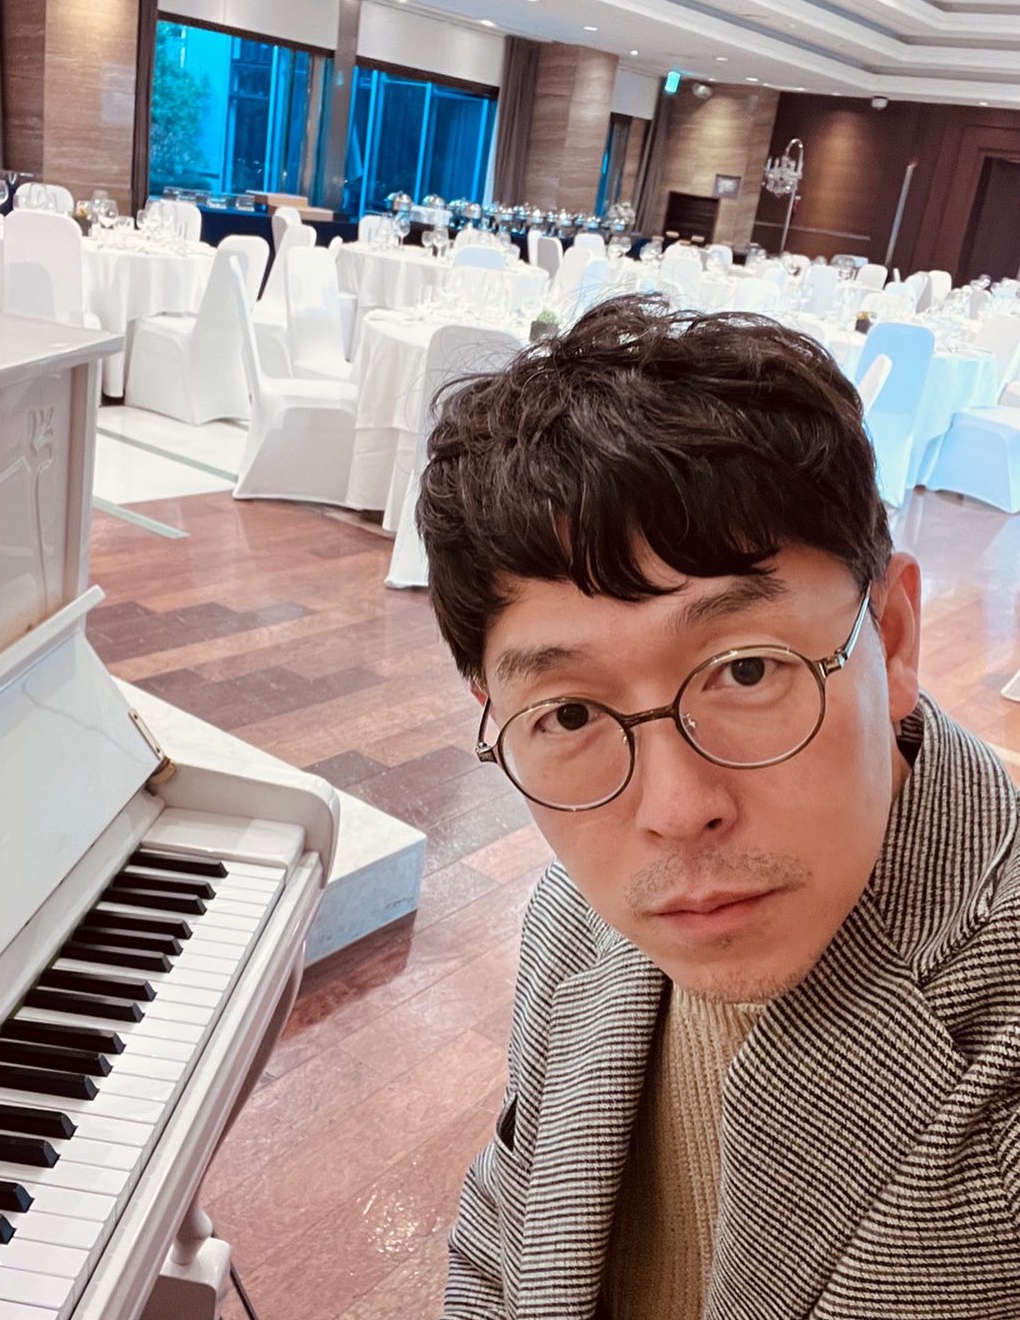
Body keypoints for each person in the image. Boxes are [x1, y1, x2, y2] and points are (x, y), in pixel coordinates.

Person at [416, 296, 1020, 1319]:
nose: (675, 809)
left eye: (745, 670)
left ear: (891, 637)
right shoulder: (572, 920)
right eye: (569, 712)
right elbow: (502, 1232)